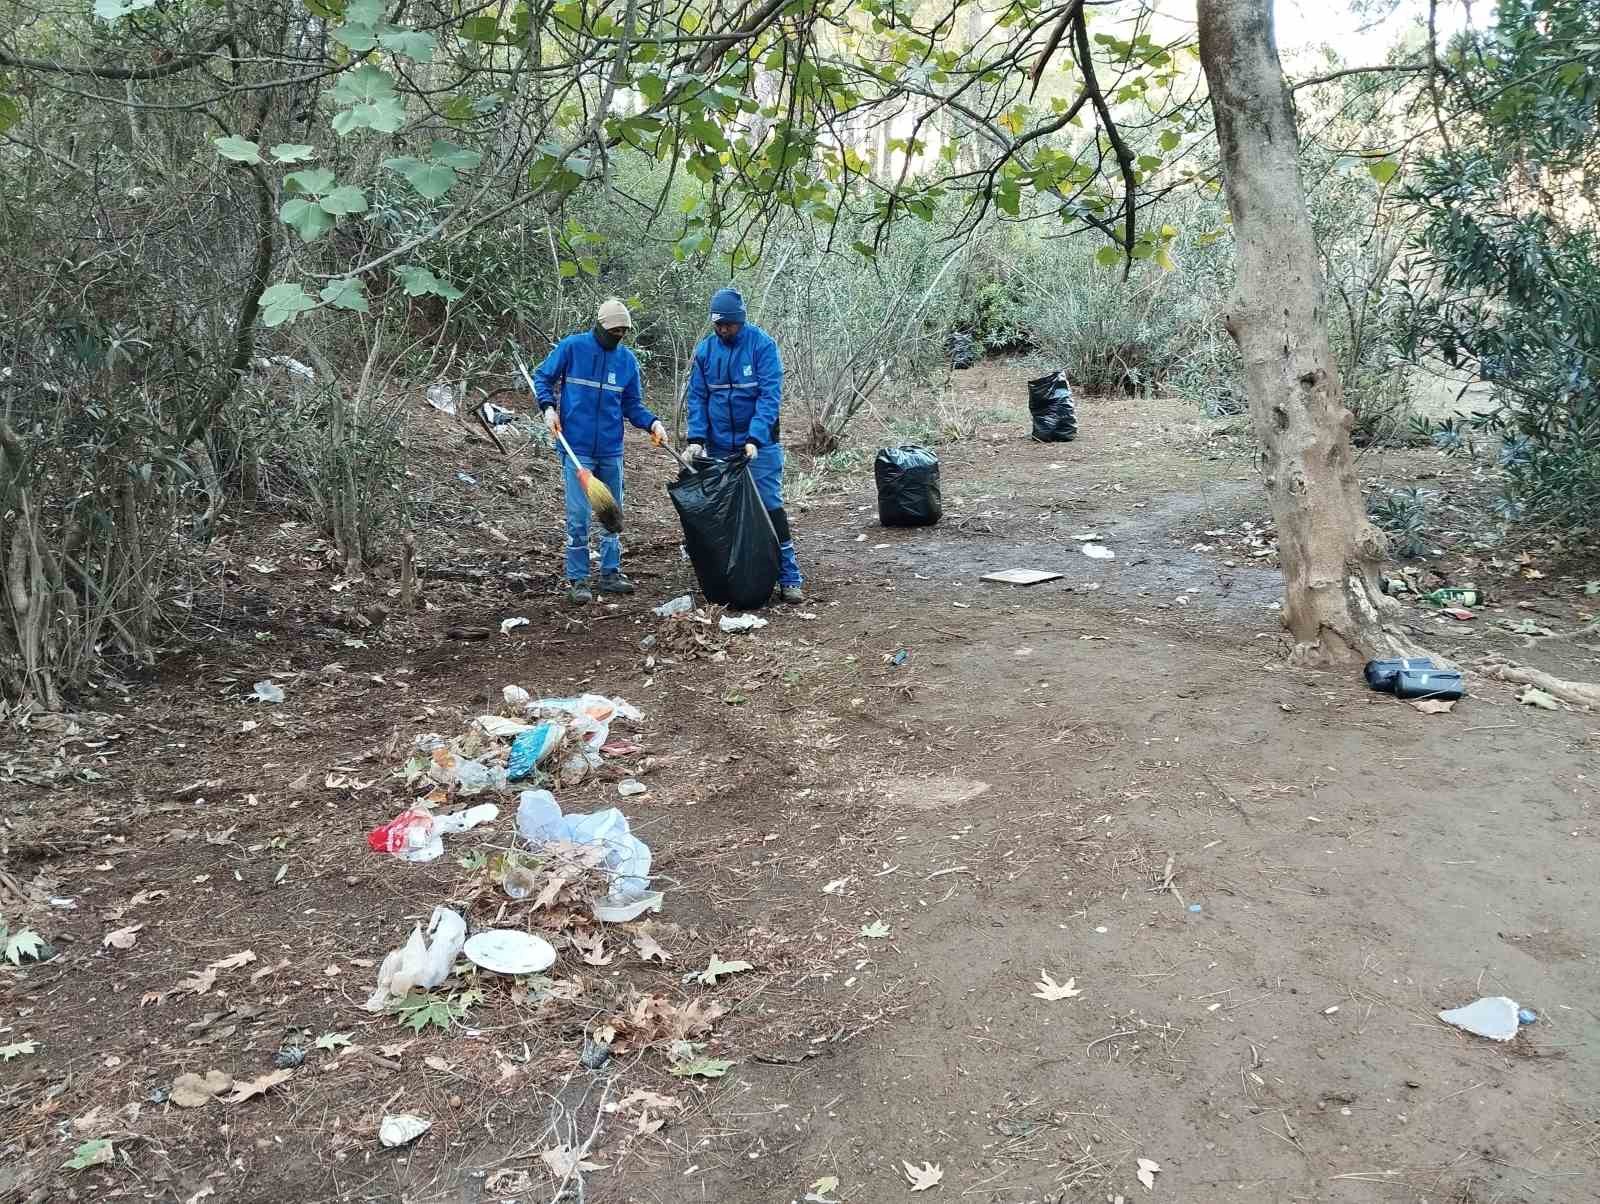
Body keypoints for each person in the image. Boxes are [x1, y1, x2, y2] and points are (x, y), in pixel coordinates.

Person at [531, 298, 667, 603]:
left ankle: (610, 573)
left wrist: (653, 423)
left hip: (610, 448)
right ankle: (578, 579)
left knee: (611, 513)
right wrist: (548, 407)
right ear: (601, 326)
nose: (619, 336)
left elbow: (632, 405)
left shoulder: (627, 361)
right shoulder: (573, 348)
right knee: (579, 515)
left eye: (624, 331)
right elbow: (543, 376)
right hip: (576, 447)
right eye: (614, 330)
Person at [684, 286, 805, 603]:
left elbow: (769, 398)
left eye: (729, 324)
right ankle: (735, 575)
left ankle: (789, 576)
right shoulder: (705, 352)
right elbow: (698, 398)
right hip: (720, 445)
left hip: (759, 446)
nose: (723, 330)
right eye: (718, 324)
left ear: (741, 321)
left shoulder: (762, 347)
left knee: (769, 507)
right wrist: (697, 438)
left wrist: (754, 438)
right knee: (726, 512)